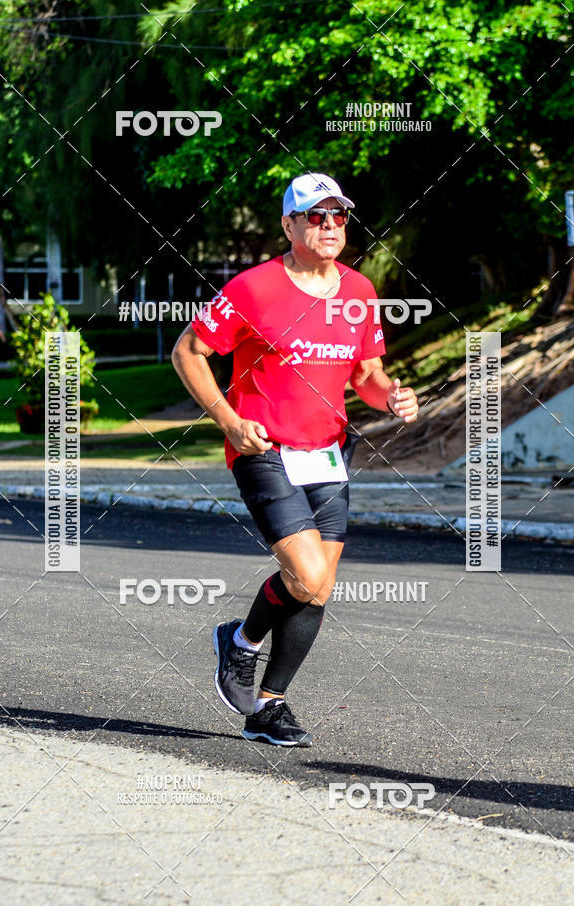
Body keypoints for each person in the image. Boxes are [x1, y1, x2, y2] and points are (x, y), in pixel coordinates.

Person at [173, 172, 419, 747]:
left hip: (328, 454)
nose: (330, 225)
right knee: (305, 574)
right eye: (316, 215)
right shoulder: (252, 289)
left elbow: (366, 373)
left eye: (338, 215)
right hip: (265, 449)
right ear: (288, 224)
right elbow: (190, 352)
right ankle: (241, 643)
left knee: (319, 586)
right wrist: (230, 421)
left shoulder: (359, 292)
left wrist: (392, 396)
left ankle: (269, 705)